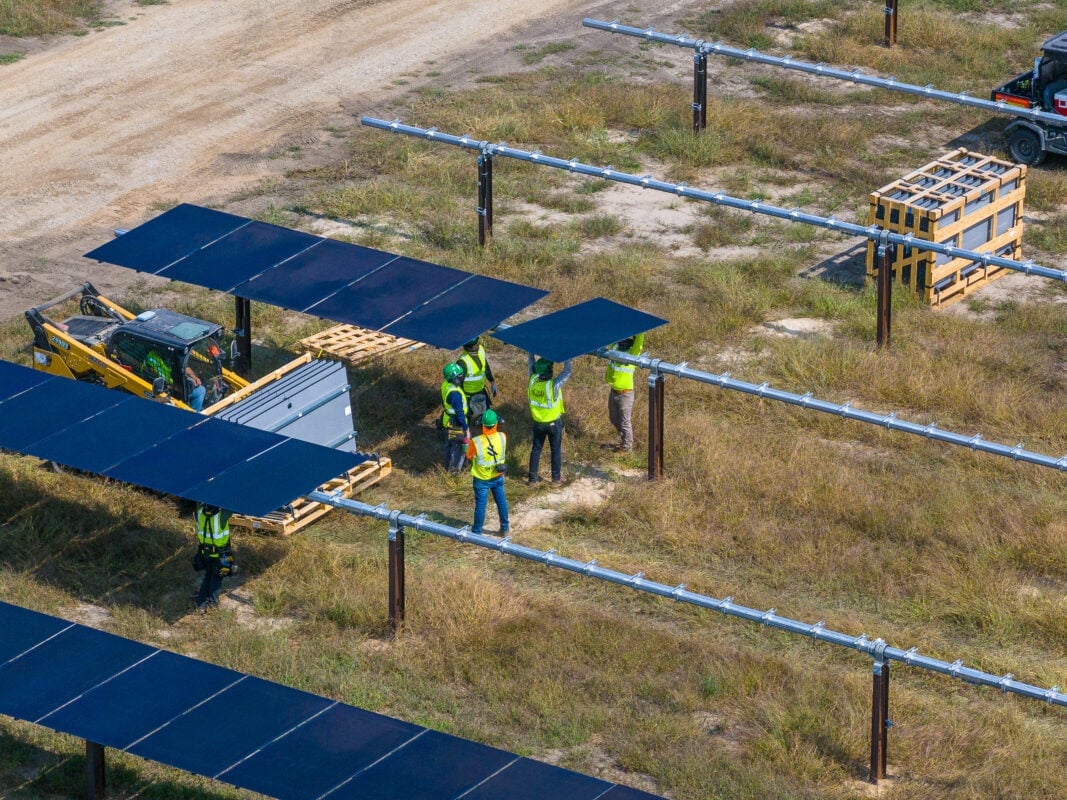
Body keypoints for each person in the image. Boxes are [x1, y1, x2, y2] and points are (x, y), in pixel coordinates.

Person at [526, 354, 571, 484]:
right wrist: (568, 355)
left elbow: (530, 365)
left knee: (536, 449)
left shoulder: (532, 380)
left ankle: (532, 480)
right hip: (553, 424)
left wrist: (531, 352)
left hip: (538, 423)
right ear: (550, 371)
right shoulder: (553, 385)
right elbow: (567, 371)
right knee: (555, 450)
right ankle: (556, 479)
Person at [466, 408, 509, 535]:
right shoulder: (503, 437)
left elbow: (469, 456)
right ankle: (505, 528)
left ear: (481, 424)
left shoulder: (476, 441)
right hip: (498, 476)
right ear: (497, 423)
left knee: (481, 506)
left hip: (481, 479)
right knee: (501, 502)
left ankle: (477, 531)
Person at [605, 332, 645, 453]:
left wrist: (640, 330)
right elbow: (610, 337)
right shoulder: (615, 348)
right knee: (614, 419)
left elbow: (639, 344)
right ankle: (624, 439)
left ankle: (627, 448)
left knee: (625, 422)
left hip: (625, 394)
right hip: (614, 392)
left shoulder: (632, 354)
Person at [194, 503, 233, 613]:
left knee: (208, 576)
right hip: (221, 555)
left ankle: (201, 604)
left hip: (205, 553)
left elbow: (198, 504)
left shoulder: (200, 511)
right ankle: (213, 604)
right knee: (217, 578)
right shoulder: (221, 516)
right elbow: (233, 506)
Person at [458, 337, 497, 425]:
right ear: (468, 347)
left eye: (477, 345)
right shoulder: (462, 362)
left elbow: (486, 367)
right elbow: (458, 383)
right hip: (468, 395)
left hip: (481, 390)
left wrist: (492, 381)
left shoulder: (481, 351)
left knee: (486, 415)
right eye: (474, 346)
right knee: (466, 417)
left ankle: (482, 421)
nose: (477, 347)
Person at [440, 362, 470, 473]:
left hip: (447, 420)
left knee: (448, 446)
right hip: (455, 423)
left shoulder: (446, 385)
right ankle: (454, 472)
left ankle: (447, 467)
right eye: (460, 375)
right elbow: (459, 413)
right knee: (457, 447)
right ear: (454, 378)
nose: (463, 376)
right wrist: (465, 427)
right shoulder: (455, 394)